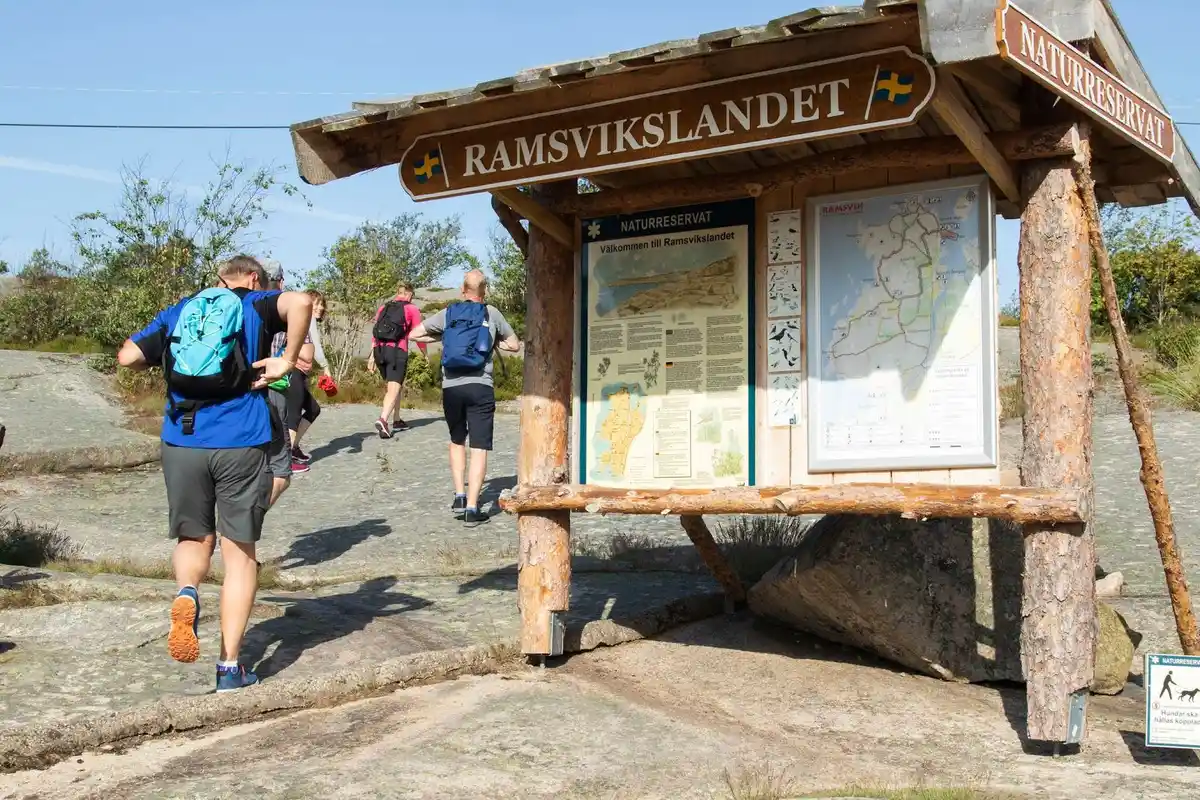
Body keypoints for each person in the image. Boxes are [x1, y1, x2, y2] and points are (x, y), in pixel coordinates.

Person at [116, 255, 313, 693]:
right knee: (240, 552)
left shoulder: (182, 310)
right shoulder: (257, 304)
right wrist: (288, 359)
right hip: (240, 440)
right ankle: (229, 667)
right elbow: (300, 302)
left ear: (218, 279)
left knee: (193, 538)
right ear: (253, 278)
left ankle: (187, 592)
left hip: (181, 438)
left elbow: (127, 355)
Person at [408, 269, 520, 525]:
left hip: (451, 387)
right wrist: (493, 342)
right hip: (480, 386)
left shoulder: (448, 313)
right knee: (479, 447)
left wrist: (444, 336)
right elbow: (514, 345)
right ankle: (472, 508)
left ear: (462, 289)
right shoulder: (491, 313)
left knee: (457, 439)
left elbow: (414, 333)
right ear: (485, 291)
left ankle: (459, 494)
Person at [367, 282, 427, 438]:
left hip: (379, 351)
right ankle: (383, 420)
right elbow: (418, 335)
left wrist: (372, 356)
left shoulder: (383, 308)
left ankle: (397, 418)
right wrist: (425, 353)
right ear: (409, 294)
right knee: (393, 388)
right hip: (397, 351)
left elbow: (375, 334)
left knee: (395, 385)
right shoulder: (411, 309)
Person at [288, 289, 332, 464]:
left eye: (322, 304)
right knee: (294, 415)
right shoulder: (307, 318)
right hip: (294, 372)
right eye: (317, 303)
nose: (320, 307)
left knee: (313, 409)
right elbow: (316, 345)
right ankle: (287, 458)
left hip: (296, 372)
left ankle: (294, 446)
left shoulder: (295, 319)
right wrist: (326, 367)